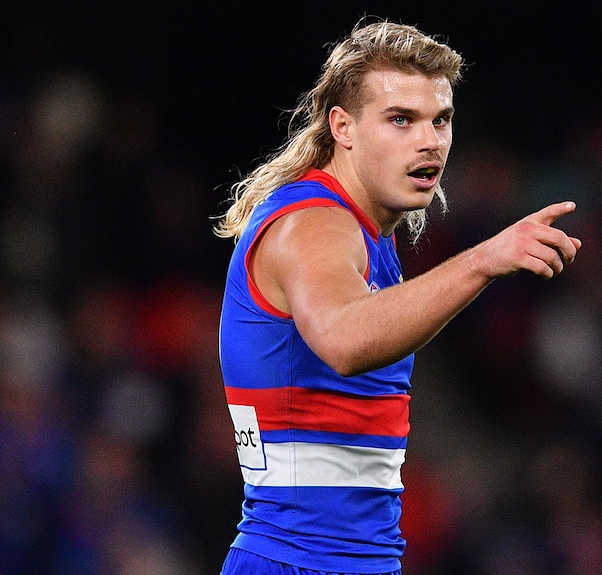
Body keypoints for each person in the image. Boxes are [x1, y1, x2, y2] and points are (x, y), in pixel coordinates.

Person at [214, 19, 581, 575]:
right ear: (343, 127)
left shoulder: (367, 233)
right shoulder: (312, 224)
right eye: (401, 120)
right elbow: (344, 338)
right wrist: (484, 260)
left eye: (441, 120)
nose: (429, 140)